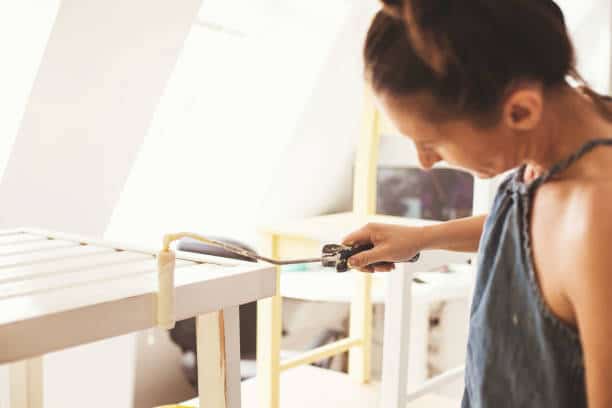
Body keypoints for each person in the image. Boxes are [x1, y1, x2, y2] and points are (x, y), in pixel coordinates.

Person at [342, 1, 612, 406]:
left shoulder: (598, 216)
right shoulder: (565, 136)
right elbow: (527, 234)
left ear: (520, 111)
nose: (425, 161)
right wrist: (421, 238)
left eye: (430, 142)